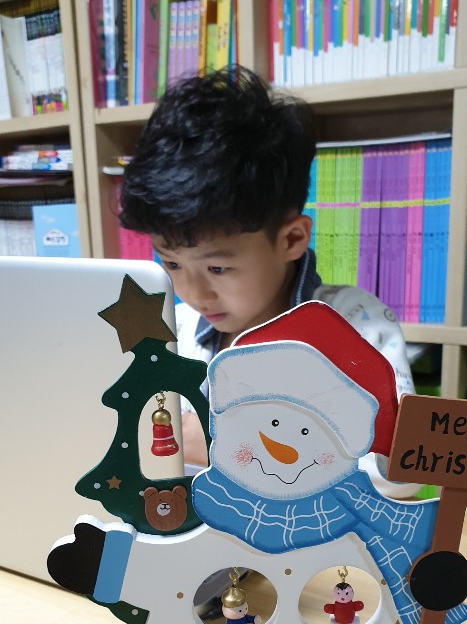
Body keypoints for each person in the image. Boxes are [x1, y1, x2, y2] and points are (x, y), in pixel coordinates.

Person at [120, 65, 416, 497]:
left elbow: (401, 475)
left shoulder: (358, 325)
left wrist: (228, 448)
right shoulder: (175, 330)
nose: (193, 294)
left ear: (291, 239)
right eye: (171, 264)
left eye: (217, 269)